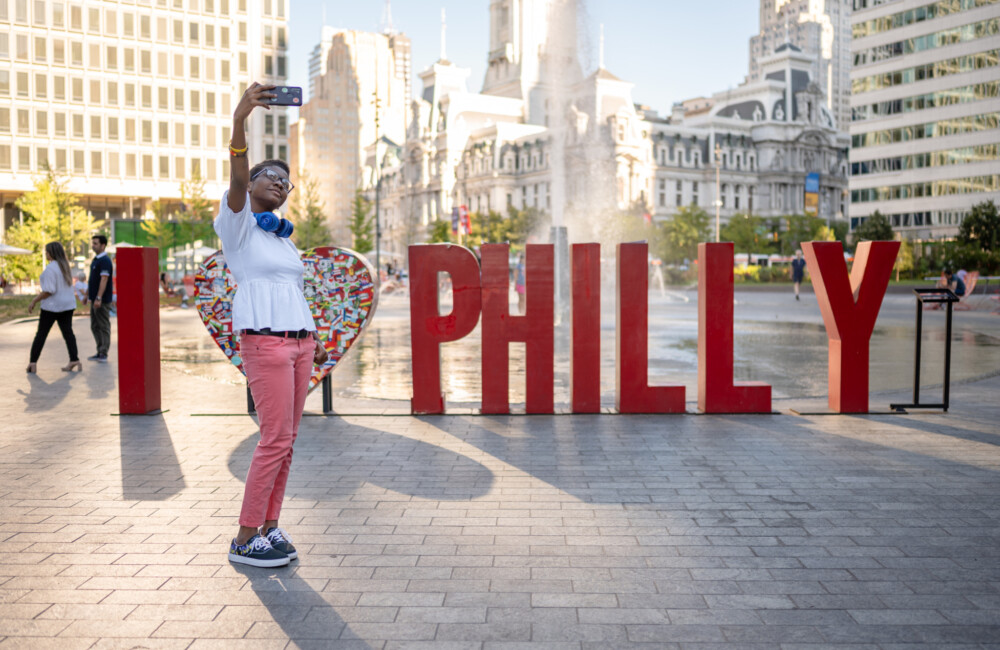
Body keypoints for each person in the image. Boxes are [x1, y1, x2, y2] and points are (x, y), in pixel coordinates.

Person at [217, 82, 329, 568]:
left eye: (286, 181)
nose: (280, 183)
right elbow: (239, 178)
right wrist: (240, 121)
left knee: (288, 440)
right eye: (271, 176)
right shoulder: (237, 224)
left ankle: (269, 526)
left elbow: (292, 292)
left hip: (299, 346)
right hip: (265, 344)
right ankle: (244, 538)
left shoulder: (283, 241)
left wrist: (314, 339)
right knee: (274, 438)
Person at [26, 242, 80, 373]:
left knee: (41, 334)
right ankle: (74, 359)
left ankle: (33, 363)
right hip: (67, 305)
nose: (46, 253)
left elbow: (49, 290)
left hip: (52, 307)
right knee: (68, 333)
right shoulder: (65, 266)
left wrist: (34, 300)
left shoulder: (51, 269)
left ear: (52, 253)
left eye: (47, 251)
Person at [87, 235, 114, 362]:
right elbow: (93, 280)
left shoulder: (105, 261)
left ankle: (104, 353)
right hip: (94, 299)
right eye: (93, 243)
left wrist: (99, 297)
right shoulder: (96, 260)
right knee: (94, 326)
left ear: (103, 245)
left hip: (102, 300)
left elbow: (104, 279)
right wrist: (88, 295)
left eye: (96, 243)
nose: (93, 245)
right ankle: (99, 351)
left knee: (103, 325)